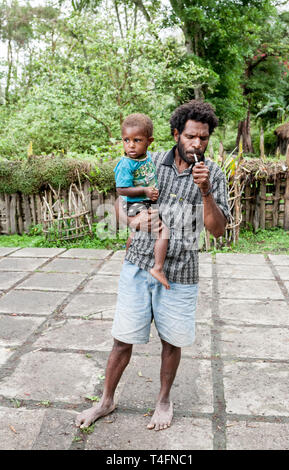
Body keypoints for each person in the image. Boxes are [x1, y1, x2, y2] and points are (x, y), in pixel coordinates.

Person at [75, 100, 230, 431]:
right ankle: (106, 400)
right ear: (176, 134)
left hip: (182, 274)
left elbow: (218, 230)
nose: (197, 144)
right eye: (190, 136)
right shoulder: (149, 161)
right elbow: (119, 203)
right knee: (122, 339)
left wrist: (205, 193)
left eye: (203, 138)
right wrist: (132, 222)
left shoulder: (213, 174)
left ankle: (163, 400)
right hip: (138, 265)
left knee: (171, 342)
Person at [114, 113, 170, 290]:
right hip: (136, 204)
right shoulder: (126, 163)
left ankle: (127, 257)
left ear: (149, 141)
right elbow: (121, 189)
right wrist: (145, 191)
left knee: (135, 234)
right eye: (126, 140)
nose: (130, 145)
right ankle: (158, 268)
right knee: (163, 231)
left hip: (144, 202)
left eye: (137, 140)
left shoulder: (146, 158)